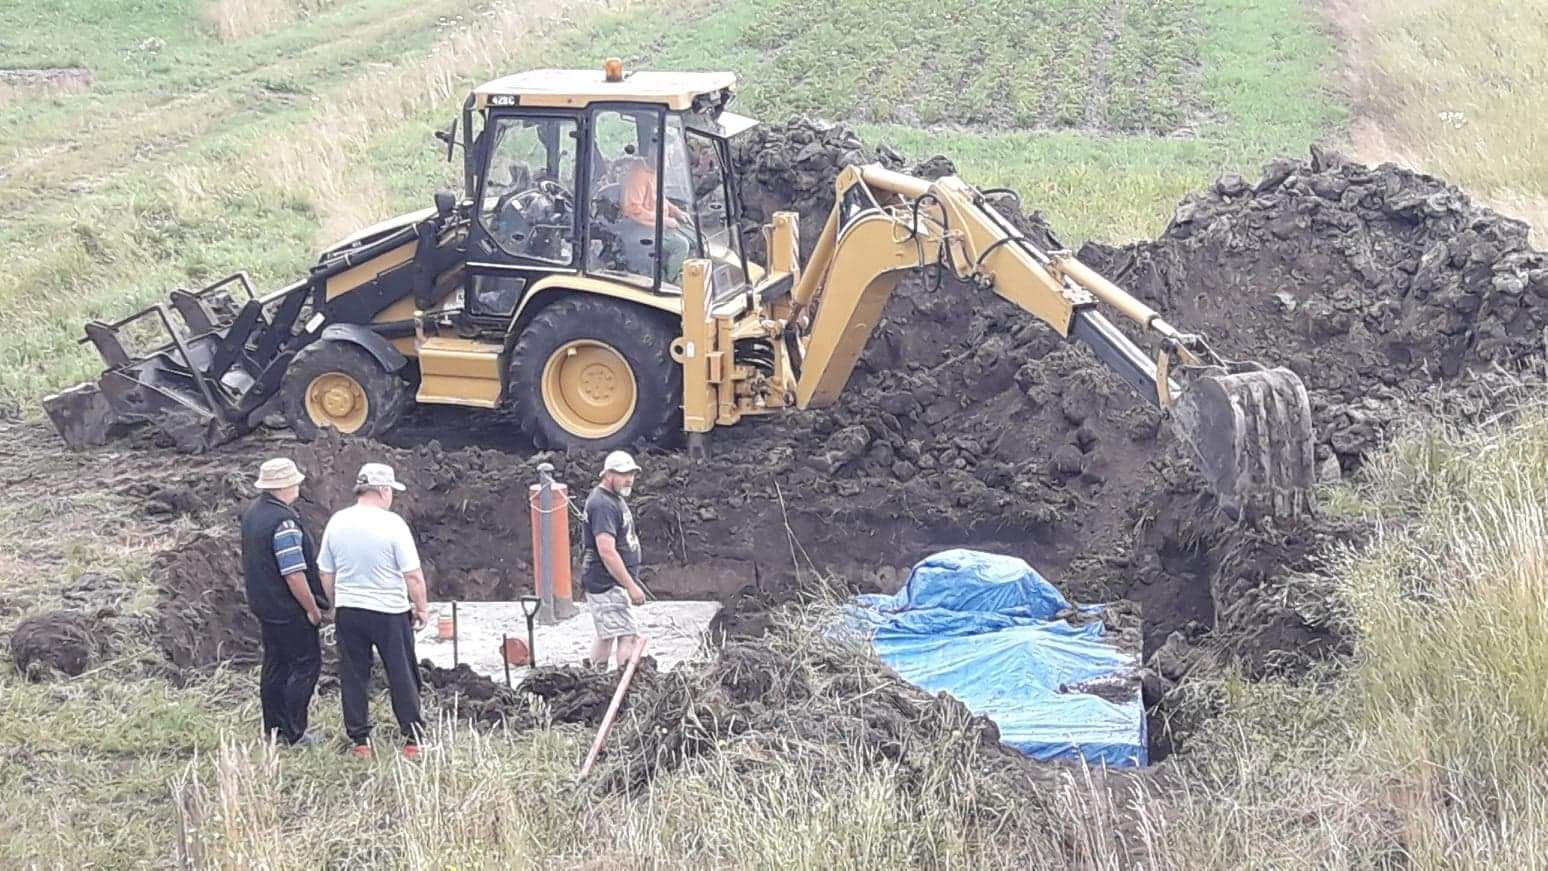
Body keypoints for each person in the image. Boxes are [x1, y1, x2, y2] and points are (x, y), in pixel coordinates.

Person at [318, 463, 430, 760]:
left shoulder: (337, 522)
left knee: (354, 675)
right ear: (382, 490)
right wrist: (421, 608)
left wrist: (333, 605)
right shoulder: (393, 525)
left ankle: (360, 743)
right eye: (391, 491)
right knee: (401, 673)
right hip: (389, 612)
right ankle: (412, 741)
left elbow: (325, 572)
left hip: (350, 610)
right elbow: (413, 575)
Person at [240, 457, 327, 748]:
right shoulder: (284, 522)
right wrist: (312, 609)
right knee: (304, 666)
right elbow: (293, 574)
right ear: (285, 485)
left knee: (275, 665)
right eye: (295, 481)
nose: (299, 485)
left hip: (264, 605)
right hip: (288, 610)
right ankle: (295, 732)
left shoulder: (254, 513)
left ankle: (273, 730)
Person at [581, 450, 648, 670]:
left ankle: (592, 677)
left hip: (607, 582)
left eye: (632, 474)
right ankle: (624, 683)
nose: (629, 479)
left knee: (607, 633)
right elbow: (607, 551)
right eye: (623, 474)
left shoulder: (612, 499)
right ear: (608, 474)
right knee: (627, 634)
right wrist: (631, 586)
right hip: (607, 583)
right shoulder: (603, 504)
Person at [620, 150, 695, 282]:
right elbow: (632, 209)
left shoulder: (654, 172)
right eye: (663, 154)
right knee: (681, 245)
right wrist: (663, 220)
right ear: (652, 150)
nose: (666, 159)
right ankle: (670, 282)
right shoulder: (638, 176)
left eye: (667, 155)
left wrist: (677, 212)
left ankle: (685, 271)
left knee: (695, 237)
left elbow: (659, 199)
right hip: (644, 229)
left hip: (660, 224)